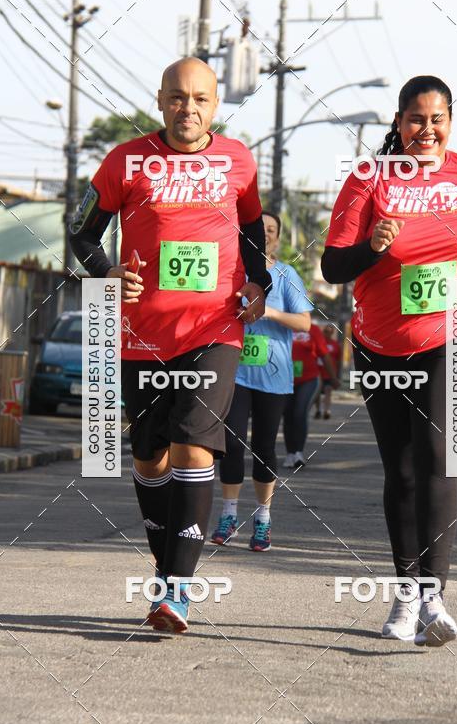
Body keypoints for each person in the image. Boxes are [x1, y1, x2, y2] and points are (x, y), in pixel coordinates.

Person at [321, 75, 457, 646]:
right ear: (398, 122)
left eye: (437, 118)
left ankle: (433, 598)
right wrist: (372, 247)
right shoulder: (367, 181)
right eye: (415, 119)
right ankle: (404, 594)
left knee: (442, 456)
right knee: (401, 469)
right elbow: (333, 267)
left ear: (450, 120)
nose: (427, 129)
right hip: (381, 338)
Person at [70, 57, 271, 633]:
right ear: (161, 100)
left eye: (201, 99)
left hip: (214, 329)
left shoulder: (238, 161)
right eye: (179, 98)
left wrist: (258, 283)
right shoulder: (125, 160)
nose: (190, 109)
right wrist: (106, 272)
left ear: (216, 105)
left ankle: (177, 591)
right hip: (139, 336)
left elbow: (253, 235)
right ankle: (167, 569)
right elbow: (83, 232)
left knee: (194, 447)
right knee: (149, 459)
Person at [212, 211, 311, 552]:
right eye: (260, 229)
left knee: (265, 449)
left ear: (278, 238)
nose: (266, 235)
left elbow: (305, 324)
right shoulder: (233, 271)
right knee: (233, 443)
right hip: (235, 372)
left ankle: (263, 518)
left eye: (272, 230)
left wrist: (268, 311)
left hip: (274, 377)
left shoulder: (286, 275)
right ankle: (227, 515)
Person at [283, 322, 338, 468]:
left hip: (308, 379)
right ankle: (290, 453)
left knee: (300, 413)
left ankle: (298, 453)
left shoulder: (312, 329)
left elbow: (325, 355)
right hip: (283, 380)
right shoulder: (281, 324)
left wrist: (333, 378)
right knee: (288, 415)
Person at [314, 324, 342, 419]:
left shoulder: (335, 345)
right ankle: (318, 410)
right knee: (317, 393)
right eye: (326, 332)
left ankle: (326, 410)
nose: (327, 334)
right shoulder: (318, 343)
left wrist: (337, 375)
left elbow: (338, 361)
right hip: (318, 372)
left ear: (333, 333)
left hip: (329, 374)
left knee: (328, 390)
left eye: (330, 332)